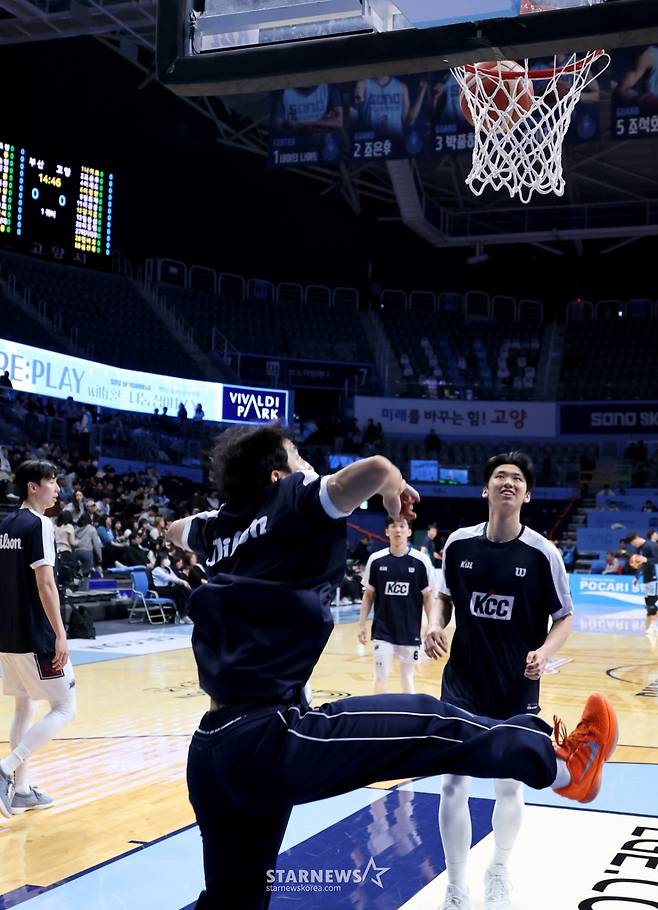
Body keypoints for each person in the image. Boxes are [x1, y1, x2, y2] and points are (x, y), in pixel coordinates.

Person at [166, 425, 617, 910]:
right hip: (269, 737)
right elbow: (378, 468)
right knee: (430, 722)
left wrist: (232, 513)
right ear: (277, 476)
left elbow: (177, 530)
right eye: (299, 458)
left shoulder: (216, 529)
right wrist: (391, 491)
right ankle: (566, 767)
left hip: (211, 752)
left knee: (233, 900)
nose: (310, 466)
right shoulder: (294, 502)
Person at [425, 452, 574, 910]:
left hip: (516, 685)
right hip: (464, 682)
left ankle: (500, 869)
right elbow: (443, 597)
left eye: (516, 479)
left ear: (527, 494)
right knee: (453, 783)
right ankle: (454, 884)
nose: (507, 482)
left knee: (509, 786)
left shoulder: (543, 554)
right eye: (499, 477)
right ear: (485, 490)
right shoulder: (459, 544)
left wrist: (545, 654)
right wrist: (434, 623)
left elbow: (564, 617)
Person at [0, 460, 76, 817]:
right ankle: (5, 768)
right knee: (64, 706)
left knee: (24, 704)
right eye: (52, 481)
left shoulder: (5, 525)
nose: (57, 488)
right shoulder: (39, 524)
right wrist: (60, 634)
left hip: (8, 635)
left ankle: (22, 791)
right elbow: (45, 583)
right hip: (36, 636)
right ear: (33, 486)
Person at [357, 516, 434, 694]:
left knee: (407, 679)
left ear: (409, 532)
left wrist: (431, 626)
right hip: (383, 631)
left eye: (402, 526)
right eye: (393, 526)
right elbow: (369, 594)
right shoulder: (376, 560)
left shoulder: (421, 561)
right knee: (379, 677)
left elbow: (428, 597)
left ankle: (409, 720)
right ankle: (379, 717)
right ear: (387, 531)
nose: (398, 530)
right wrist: (361, 625)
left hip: (410, 632)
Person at [623, 531, 658, 635]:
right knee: (648, 602)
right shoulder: (640, 549)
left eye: (633, 542)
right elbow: (641, 565)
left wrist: (646, 559)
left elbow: (657, 559)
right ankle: (651, 625)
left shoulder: (650, 545)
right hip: (647, 577)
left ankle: (653, 626)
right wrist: (636, 577)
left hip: (654, 576)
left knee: (652, 602)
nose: (634, 545)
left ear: (637, 537)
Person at [152, 551, 192, 624]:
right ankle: (183, 614)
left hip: (168, 588)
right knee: (181, 589)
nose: (167, 560)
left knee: (182, 591)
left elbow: (174, 577)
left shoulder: (168, 568)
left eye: (167, 558)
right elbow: (167, 578)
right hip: (161, 590)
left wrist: (183, 582)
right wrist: (182, 582)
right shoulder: (156, 570)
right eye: (165, 558)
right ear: (160, 560)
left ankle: (182, 613)